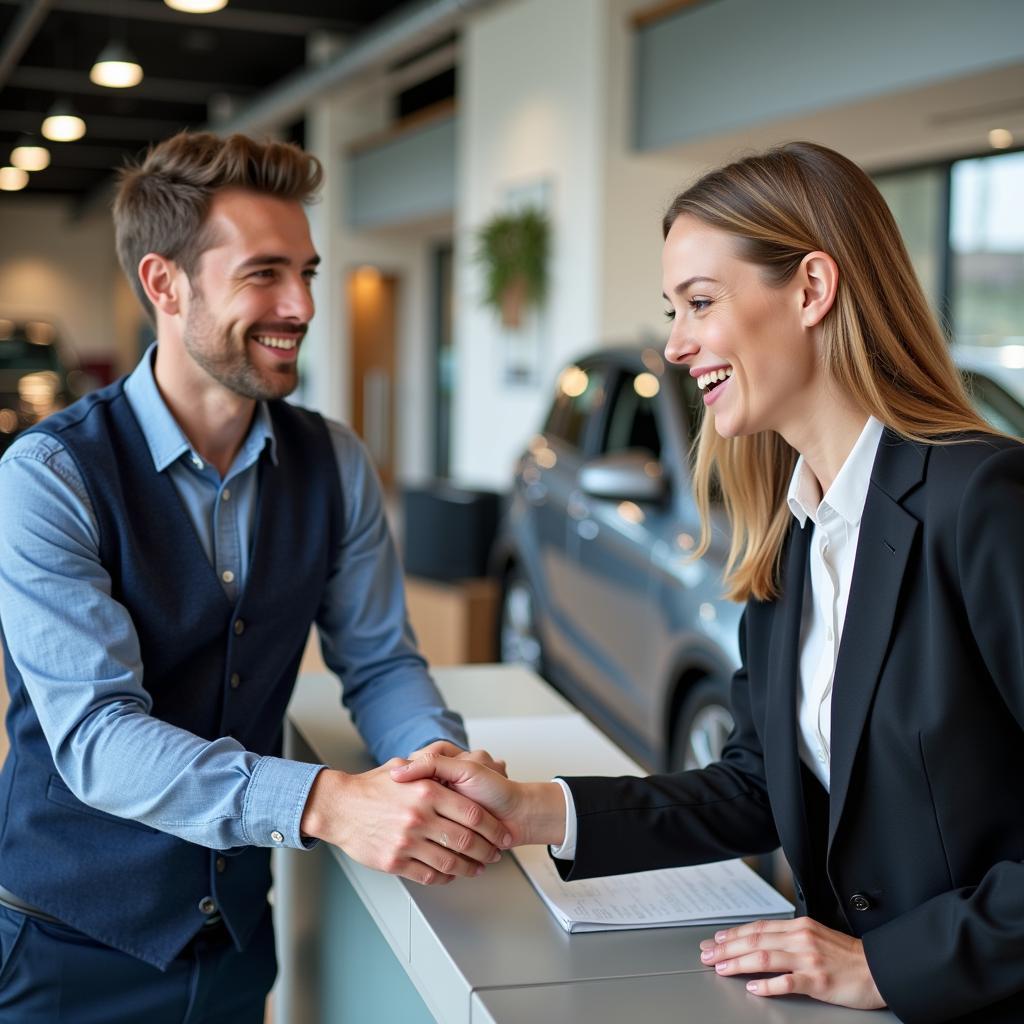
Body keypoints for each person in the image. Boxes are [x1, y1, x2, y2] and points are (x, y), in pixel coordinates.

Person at [394, 142, 1024, 1023]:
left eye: (699, 303)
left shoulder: (984, 498)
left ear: (811, 289)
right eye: (673, 310)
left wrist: (886, 966)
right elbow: (757, 786)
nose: (678, 344)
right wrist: (531, 810)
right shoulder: (797, 532)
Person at [0, 131, 507, 1022]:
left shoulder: (334, 461)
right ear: (165, 283)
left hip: (234, 941)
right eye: (265, 273)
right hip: (65, 945)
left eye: (307, 270)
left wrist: (436, 762)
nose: (304, 303)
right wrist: (326, 802)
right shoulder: (49, 475)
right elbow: (96, 736)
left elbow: (381, 662)